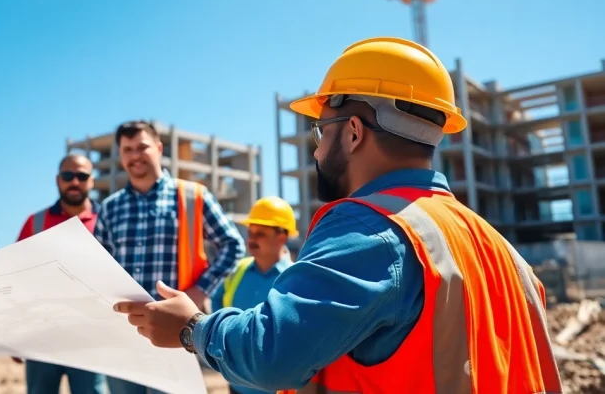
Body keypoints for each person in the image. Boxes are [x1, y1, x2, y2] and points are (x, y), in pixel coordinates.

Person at [113, 37, 564, 394]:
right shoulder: (500, 250)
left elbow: (274, 354)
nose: (315, 147)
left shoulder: (371, 227)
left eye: (319, 130)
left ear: (351, 133)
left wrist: (193, 328)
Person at [94, 120, 246, 394]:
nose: (135, 155)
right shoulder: (109, 208)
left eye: (142, 147)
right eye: (127, 149)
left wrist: (200, 290)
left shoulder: (191, 196)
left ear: (159, 148)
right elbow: (97, 267)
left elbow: (232, 244)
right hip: (122, 336)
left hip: (174, 332)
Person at [16, 153, 106, 394]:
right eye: (68, 176)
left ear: (92, 180)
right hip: (42, 338)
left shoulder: (107, 221)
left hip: (91, 339)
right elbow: (16, 281)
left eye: (82, 176)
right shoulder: (34, 224)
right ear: (58, 180)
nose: (74, 181)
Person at [209, 196, 296, 394]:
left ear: (281, 237)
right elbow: (216, 300)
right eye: (250, 233)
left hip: (274, 389)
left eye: (260, 234)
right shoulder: (237, 270)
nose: (251, 239)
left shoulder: (294, 279)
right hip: (235, 384)